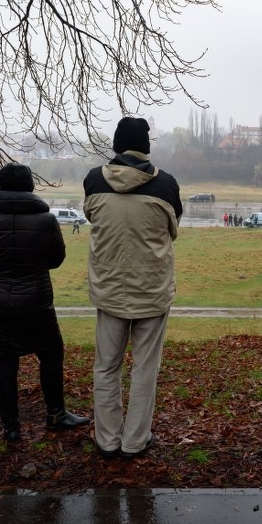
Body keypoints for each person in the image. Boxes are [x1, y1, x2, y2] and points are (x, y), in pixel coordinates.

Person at [0, 163, 90, 441]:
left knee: (4, 362)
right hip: (35, 298)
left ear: (0, 187)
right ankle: (56, 414)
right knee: (50, 354)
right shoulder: (46, 221)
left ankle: (11, 428)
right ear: (30, 186)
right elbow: (56, 260)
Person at [84, 117, 182, 459]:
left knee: (106, 367)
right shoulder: (166, 185)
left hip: (109, 289)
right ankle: (135, 441)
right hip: (152, 292)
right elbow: (173, 229)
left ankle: (107, 439)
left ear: (115, 143)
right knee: (144, 369)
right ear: (147, 145)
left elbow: (92, 218)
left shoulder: (94, 180)